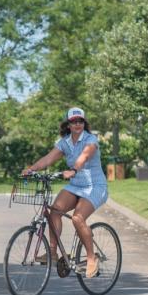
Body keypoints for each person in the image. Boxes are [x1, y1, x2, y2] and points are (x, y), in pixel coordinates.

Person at [22, 107, 108, 278]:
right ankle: (52, 252)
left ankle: (91, 258)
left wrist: (74, 170)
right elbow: (48, 158)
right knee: (54, 211)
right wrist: (31, 169)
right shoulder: (64, 143)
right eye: (74, 121)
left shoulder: (91, 140)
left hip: (95, 186)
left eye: (80, 121)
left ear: (84, 123)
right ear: (68, 124)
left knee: (77, 218)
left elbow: (84, 156)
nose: (77, 124)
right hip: (76, 186)